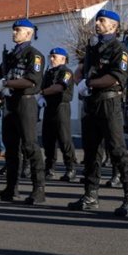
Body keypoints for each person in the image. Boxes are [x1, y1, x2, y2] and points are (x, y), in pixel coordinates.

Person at [68, 10, 128, 217]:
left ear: (114, 26)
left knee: (117, 150)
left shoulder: (119, 49)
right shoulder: (93, 47)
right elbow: (82, 68)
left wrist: (88, 83)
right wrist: (80, 81)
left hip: (109, 102)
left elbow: (115, 78)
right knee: (91, 152)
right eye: (97, 20)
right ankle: (90, 195)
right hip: (91, 102)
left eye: (102, 20)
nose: (97, 23)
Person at [0, 19, 46, 204]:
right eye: (13, 30)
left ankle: (39, 189)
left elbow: (31, 80)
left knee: (30, 146)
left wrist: (6, 83)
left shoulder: (34, 55)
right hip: (10, 103)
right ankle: (11, 189)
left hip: (26, 102)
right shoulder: (11, 54)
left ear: (29, 33)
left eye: (18, 30)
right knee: (11, 148)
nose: (14, 32)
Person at [41, 47, 77, 181]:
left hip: (61, 107)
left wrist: (42, 93)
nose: (51, 59)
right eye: (50, 56)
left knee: (64, 139)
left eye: (54, 57)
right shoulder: (49, 72)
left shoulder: (66, 72)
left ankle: (71, 168)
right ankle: (49, 168)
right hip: (49, 107)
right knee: (48, 139)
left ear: (63, 58)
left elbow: (59, 87)